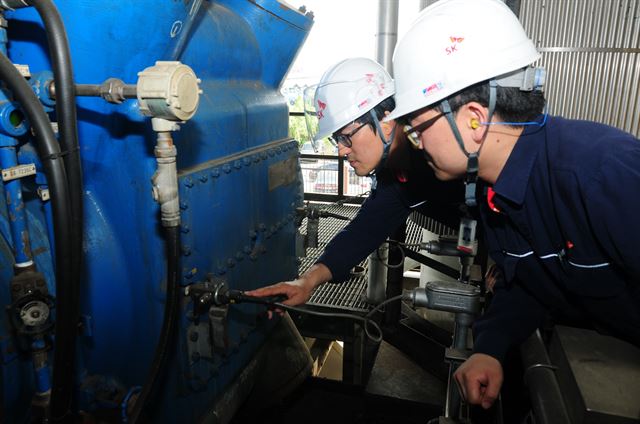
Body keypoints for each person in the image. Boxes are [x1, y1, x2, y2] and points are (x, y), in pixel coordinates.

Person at [387, 0, 640, 411]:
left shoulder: (602, 174)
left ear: (473, 120)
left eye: (417, 131)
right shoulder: (496, 190)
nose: (418, 146)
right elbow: (530, 282)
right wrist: (491, 345)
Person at [247, 57, 462, 308]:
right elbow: (364, 231)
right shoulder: (397, 176)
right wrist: (306, 281)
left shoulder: (445, 155)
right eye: (336, 139)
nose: (340, 151)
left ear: (386, 121)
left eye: (345, 137)